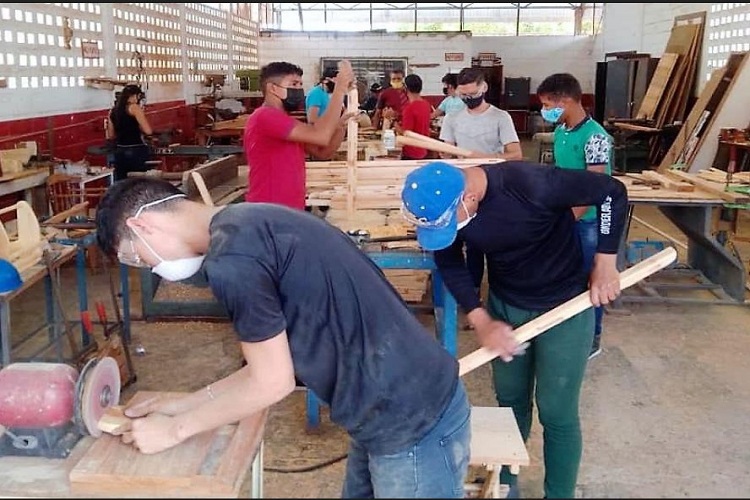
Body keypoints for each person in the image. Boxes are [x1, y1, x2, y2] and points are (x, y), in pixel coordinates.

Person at [94, 176, 472, 499]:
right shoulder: (249, 219)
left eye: (137, 258)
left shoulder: (234, 262)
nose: (150, 267)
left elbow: (272, 383)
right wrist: (186, 405)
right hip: (385, 406)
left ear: (142, 226)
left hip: (412, 418)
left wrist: (174, 430)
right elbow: (273, 365)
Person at [400, 160, 628, 499]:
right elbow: (448, 260)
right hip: (507, 305)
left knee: (556, 410)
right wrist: (482, 318)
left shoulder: (532, 184)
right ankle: (505, 486)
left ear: (470, 196)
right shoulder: (454, 205)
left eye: (450, 222)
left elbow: (612, 192)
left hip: (564, 307)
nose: (449, 230)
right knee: (510, 403)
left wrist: (605, 260)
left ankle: (559, 494)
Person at [536, 72, 614, 360]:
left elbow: (595, 188)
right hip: (565, 216)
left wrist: (566, 220)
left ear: (565, 100)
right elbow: (559, 176)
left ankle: (592, 339)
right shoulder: (561, 132)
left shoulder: (595, 138)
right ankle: (567, 328)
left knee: (591, 279)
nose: (545, 111)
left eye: (547, 104)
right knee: (565, 276)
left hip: (588, 222)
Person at [438, 66, 524, 305]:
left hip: (496, 187)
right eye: (464, 95)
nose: (469, 99)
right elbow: (445, 151)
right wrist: (454, 161)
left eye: (473, 94)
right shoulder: (453, 118)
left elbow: (516, 154)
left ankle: (501, 298)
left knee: (496, 242)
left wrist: (484, 158)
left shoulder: (500, 118)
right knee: (469, 242)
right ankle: (472, 295)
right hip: (464, 188)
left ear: (484, 87)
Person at [243, 61, 355, 210]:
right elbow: (321, 135)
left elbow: (323, 152)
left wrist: (340, 126)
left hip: (290, 208)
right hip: (270, 210)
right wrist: (339, 90)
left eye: (301, 85)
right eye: (294, 84)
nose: (299, 89)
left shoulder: (285, 121)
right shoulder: (265, 117)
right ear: (273, 88)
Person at [106, 84, 154, 181]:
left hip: (119, 151)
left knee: (123, 182)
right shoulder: (134, 108)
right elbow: (148, 131)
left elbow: (110, 135)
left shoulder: (112, 111)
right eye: (138, 97)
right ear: (134, 95)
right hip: (135, 150)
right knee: (138, 182)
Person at [393, 74, 432, 161]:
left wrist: (394, 123)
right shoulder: (426, 104)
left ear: (405, 88)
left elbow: (406, 134)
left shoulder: (409, 108)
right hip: (423, 149)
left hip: (411, 152)